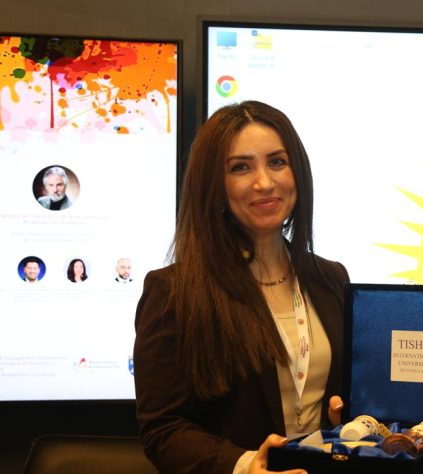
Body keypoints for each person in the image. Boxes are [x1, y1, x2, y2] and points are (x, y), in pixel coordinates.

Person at [133, 101, 349, 474]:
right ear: (214, 185)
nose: (264, 182)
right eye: (240, 167)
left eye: (277, 162)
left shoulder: (332, 279)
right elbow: (163, 430)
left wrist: (347, 417)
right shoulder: (173, 292)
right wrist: (245, 464)